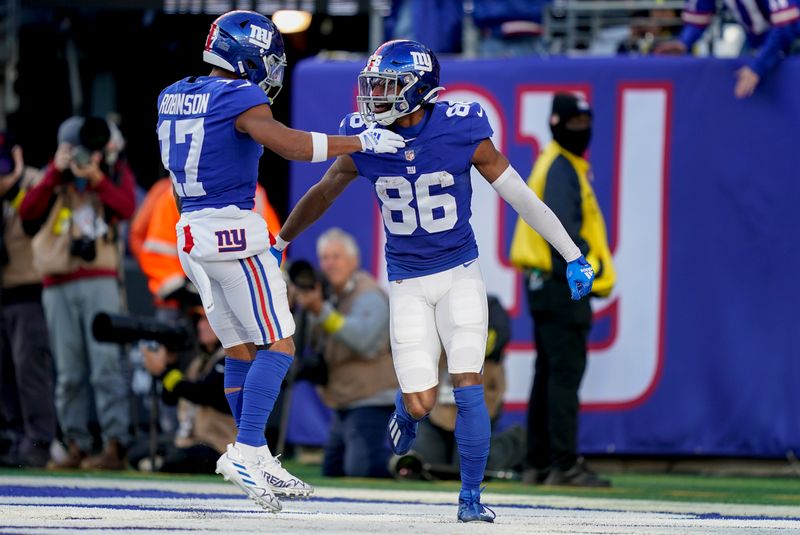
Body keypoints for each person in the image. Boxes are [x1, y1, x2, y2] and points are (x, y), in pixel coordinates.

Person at [273, 39, 595, 523]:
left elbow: (520, 196)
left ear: (419, 90)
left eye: (386, 86)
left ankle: (470, 498)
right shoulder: (367, 137)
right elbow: (323, 193)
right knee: (422, 403)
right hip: (406, 283)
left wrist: (572, 254)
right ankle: (406, 412)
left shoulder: (461, 127)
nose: (374, 96)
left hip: (460, 274)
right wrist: (281, 240)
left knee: (468, 385)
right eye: (374, 85)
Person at [156, 10, 405, 512]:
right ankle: (247, 449)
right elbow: (290, 145)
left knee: (241, 347)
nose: (269, 70)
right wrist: (362, 140)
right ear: (243, 53)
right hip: (231, 232)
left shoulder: (172, 94)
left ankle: (257, 451)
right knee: (281, 344)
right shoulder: (238, 96)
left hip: (190, 234)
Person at [509, 92, 616, 487]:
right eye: (573, 123)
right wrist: (581, 275)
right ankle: (564, 463)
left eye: (585, 123)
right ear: (555, 124)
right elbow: (562, 232)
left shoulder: (558, 162)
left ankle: (538, 462)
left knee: (549, 373)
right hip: (561, 283)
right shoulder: (561, 167)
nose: (581, 131)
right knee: (564, 374)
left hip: (546, 283)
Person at [19, 116, 135, 471]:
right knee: (68, 371)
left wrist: (98, 179)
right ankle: (75, 444)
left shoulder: (112, 174)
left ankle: (115, 445)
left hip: (100, 277)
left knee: (106, 366)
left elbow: (127, 208)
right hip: (58, 282)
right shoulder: (49, 178)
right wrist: (56, 171)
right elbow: (27, 212)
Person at [291, 228, 398, 478]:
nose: (329, 264)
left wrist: (321, 312)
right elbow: (303, 344)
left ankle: (406, 464)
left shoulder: (369, 293)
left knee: (360, 469)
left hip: (372, 398)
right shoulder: (331, 296)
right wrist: (300, 308)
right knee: (333, 470)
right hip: (344, 401)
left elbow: (362, 339)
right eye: (325, 258)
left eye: (336, 257)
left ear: (353, 261)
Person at [0, 132, 57, 468]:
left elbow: (35, 219)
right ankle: (13, 437)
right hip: (3, 291)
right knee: (5, 373)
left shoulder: (36, 181)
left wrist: (14, 185)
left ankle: (38, 442)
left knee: (29, 370)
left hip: (29, 289)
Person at [132, 313, 237, 474]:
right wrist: (171, 363)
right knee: (138, 453)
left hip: (221, 447)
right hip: (192, 441)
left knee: (178, 459)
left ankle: (161, 465)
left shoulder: (233, 359)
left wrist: (162, 372)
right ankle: (159, 464)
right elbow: (170, 399)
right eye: (200, 321)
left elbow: (204, 393)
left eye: (207, 321)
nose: (201, 326)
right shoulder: (198, 362)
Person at [653, 0, 800, 98]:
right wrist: (684, 42)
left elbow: (787, 23)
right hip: (761, 41)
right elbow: (699, 14)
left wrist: (759, 66)